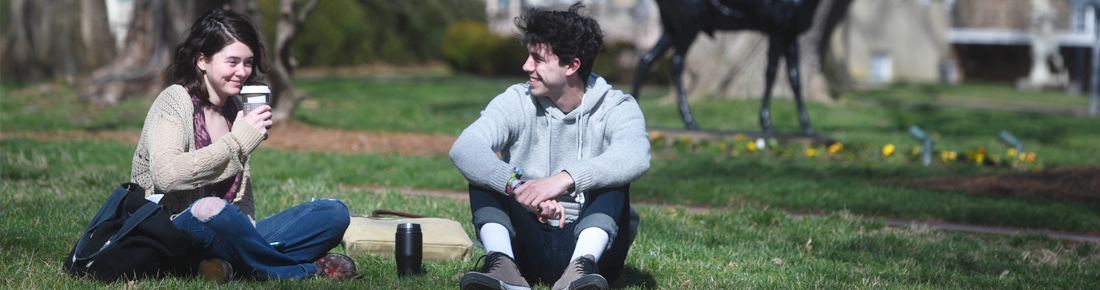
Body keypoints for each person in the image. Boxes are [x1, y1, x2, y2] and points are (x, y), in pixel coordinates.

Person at [130, 8, 354, 282]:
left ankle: (231, 264)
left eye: (248, 62)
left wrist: (246, 236)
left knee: (333, 214)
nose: (242, 72)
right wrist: (238, 140)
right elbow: (166, 176)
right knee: (213, 209)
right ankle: (301, 269)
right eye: (232, 61)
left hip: (228, 229)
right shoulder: (174, 101)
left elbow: (241, 199)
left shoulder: (236, 108)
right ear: (202, 60)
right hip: (177, 231)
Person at [450, 4, 649, 290]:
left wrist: (563, 180)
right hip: (526, 244)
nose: (526, 67)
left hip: (595, 250)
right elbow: (465, 148)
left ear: (571, 65)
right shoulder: (516, 100)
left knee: (613, 176)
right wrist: (519, 187)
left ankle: (580, 271)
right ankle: (503, 265)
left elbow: (635, 156)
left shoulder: (616, 106)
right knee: (485, 171)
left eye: (537, 59)